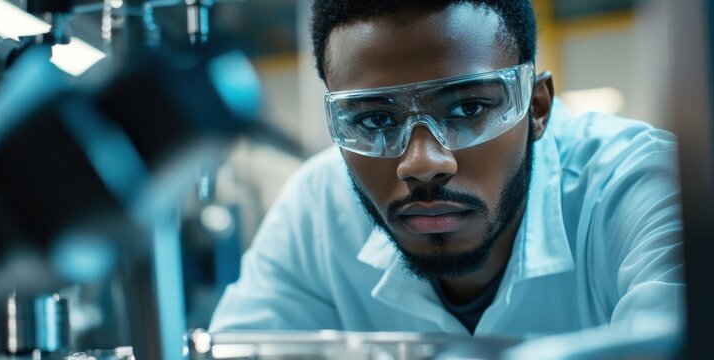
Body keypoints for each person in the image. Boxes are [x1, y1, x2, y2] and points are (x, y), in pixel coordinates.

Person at [210, 0, 684, 336]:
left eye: (467, 109)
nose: (422, 164)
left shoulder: (641, 185)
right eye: (375, 119)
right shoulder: (316, 210)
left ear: (537, 108)